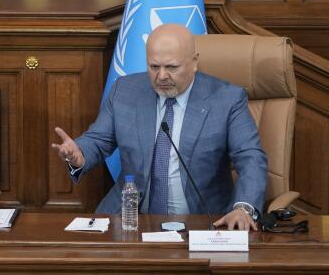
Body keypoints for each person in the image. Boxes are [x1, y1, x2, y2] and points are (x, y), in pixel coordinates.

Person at [52, 23, 268, 230]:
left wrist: (243, 207)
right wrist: (80, 153)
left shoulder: (227, 99)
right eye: (154, 67)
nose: (161, 76)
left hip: (203, 221)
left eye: (171, 67)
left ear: (194, 62)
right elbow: (99, 140)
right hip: (130, 218)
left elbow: (250, 157)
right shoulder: (125, 91)